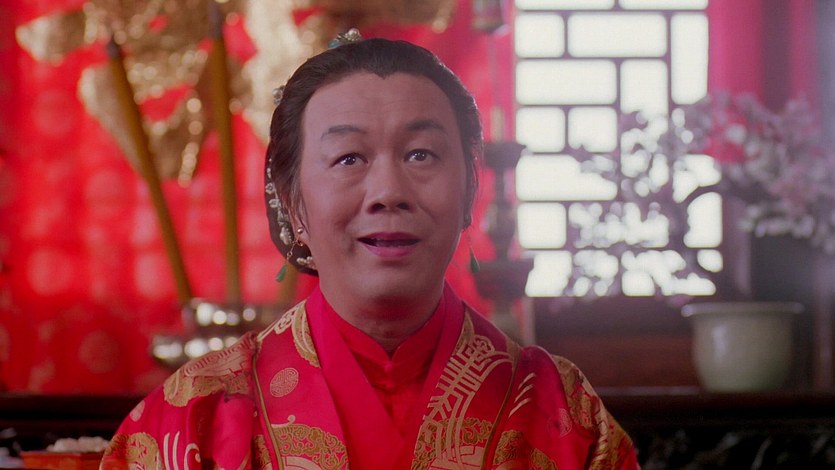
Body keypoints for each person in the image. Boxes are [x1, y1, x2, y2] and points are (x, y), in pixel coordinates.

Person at [101, 32, 639, 470]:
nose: (388, 192)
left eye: (421, 154)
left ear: (469, 193)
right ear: (293, 204)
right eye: (348, 158)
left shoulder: (563, 412)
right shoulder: (194, 417)